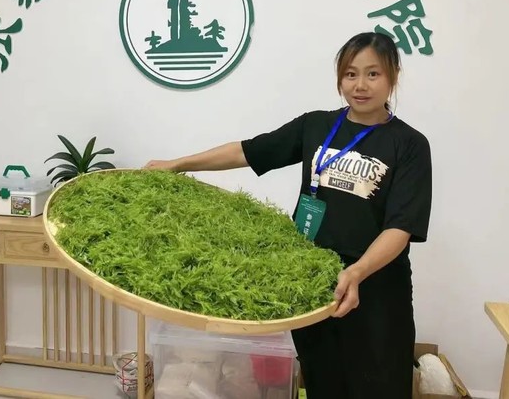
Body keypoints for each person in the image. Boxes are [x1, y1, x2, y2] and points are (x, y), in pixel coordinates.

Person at [145, 31, 432, 399]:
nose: (360, 85)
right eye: (350, 74)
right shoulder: (316, 126)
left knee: (379, 385)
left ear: (393, 76)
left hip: (375, 290)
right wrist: (179, 163)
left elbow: (401, 227)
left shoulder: (409, 144)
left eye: (372, 74)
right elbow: (248, 151)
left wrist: (357, 272)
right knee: (323, 381)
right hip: (313, 285)